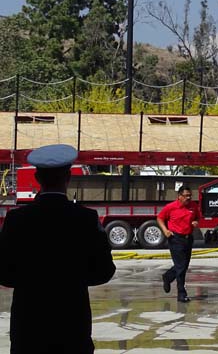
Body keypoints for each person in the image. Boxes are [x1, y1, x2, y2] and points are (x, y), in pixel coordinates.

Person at [0, 144, 116, 354]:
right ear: (68, 177)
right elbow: (104, 271)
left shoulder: (16, 220)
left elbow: (4, 273)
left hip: (29, 323)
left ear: (37, 178)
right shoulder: (86, 219)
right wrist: (73, 278)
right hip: (72, 322)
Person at [157, 185, 201, 302]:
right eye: (186, 196)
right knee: (180, 266)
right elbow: (160, 218)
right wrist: (165, 230)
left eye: (190, 196)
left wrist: (195, 222)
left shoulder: (193, 206)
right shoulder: (171, 207)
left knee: (184, 266)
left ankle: (168, 276)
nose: (188, 198)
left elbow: (197, 217)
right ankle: (181, 294)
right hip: (175, 238)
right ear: (179, 196)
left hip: (188, 238)